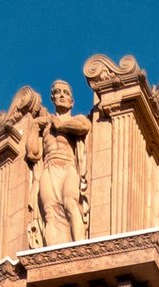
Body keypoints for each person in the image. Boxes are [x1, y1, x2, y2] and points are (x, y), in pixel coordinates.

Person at [25, 80, 90, 246]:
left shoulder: (76, 119)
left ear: (71, 101)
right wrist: (33, 126)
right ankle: (53, 252)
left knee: (70, 202)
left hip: (68, 166)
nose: (61, 95)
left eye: (66, 93)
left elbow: (85, 126)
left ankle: (80, 245)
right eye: (58, 92)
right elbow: (32, 153)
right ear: (52, 98)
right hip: (48, 167)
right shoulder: (45, 128)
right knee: (50, 212)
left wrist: (61, 125)